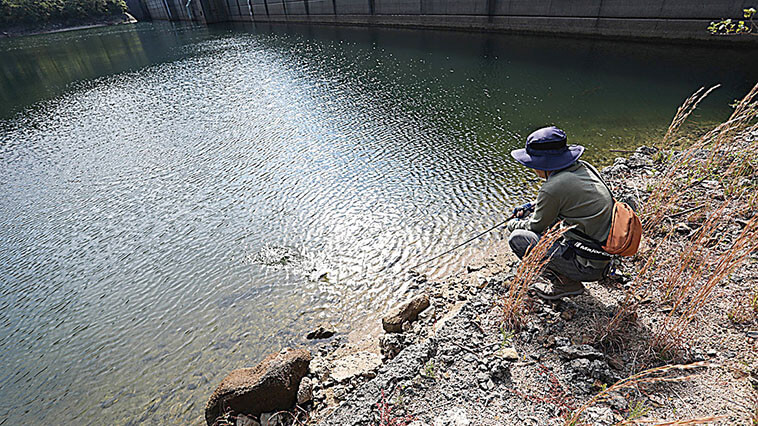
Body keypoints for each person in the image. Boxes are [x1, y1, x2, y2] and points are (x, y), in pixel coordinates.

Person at [506, 126, 614, 300]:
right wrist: (534, 205)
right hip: (605, 256)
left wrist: (512, 224)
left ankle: (565, 284)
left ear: (543, 163)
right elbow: (569, 199)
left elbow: (536, 227)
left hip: (589, 265)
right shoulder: (583, 167)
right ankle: (572, 277)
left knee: (518, 238)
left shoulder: (552, 189)